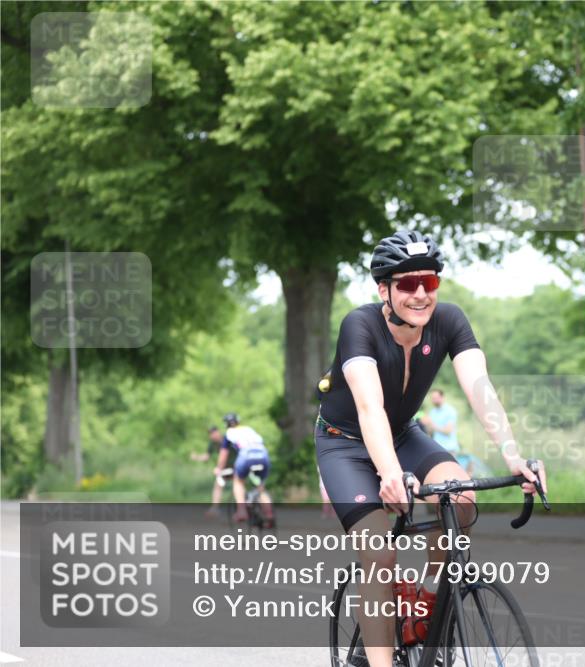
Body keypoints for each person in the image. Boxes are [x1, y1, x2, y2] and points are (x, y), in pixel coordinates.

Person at [315, 230, 546, 667]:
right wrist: (388, 475)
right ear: (384, 289)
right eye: (406, 284)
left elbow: (481, 388)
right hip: (345, 445)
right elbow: (369, 407)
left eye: (430, 283)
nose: (420, 294)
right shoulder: (359, 325)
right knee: (379, 552)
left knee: (460, 499)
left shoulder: (449, 321)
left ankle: (426, 601)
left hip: (403, 433)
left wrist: (514, 455)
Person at [214, 413, 274, 526]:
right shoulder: (249, 429)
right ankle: (269, 514)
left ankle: (242, 511)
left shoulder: (229, 433)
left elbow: (223, 455)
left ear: (227, 424)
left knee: (238, 482)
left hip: (246, 456)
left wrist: (218, 468)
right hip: (263, 455)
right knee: (260, 487)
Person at [196, 426, 226, 517]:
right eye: (210, 434)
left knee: (239, 485)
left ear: (218, 432)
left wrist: (219, 467)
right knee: (218, 484)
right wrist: (196, 457)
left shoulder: (227, 439)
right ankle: (215, 508)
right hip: (224, 467)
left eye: (213, 433)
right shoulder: (212, 444)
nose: (212, 435)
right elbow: (206, 457)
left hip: (236, 465)